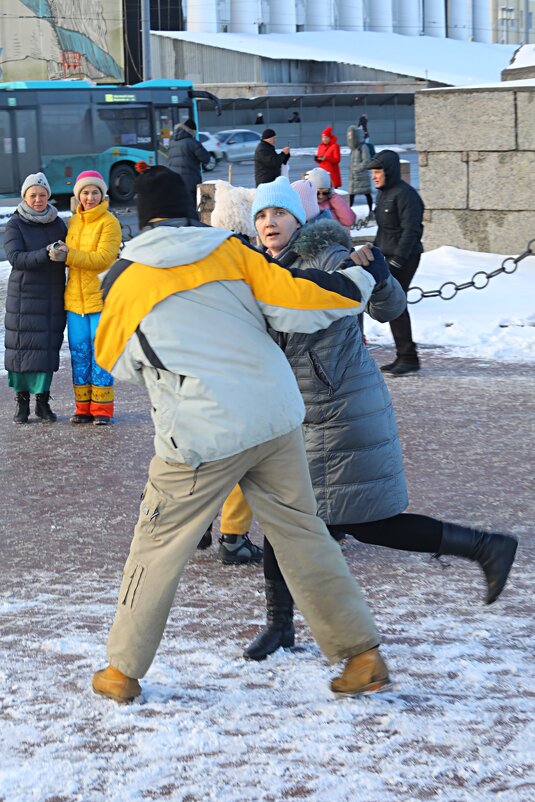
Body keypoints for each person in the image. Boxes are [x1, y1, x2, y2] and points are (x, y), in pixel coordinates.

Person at [91, 166, 394, 703]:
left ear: (139, 215)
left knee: (157, 546)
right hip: (274, 414)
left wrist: (167, 366)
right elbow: (304, 300)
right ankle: (360, 654)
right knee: (303, 533)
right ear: (193, 208)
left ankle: (121, 670)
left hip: (199, 432)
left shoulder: (124, 276)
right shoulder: (232, 251)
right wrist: (364, 277)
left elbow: (112, 360)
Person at [216, 177, 518, 662]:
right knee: (285, 518)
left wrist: (378, 274)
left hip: (339, 408)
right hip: (297, 412)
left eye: (279, 214)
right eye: (261, 217)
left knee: (370, 523)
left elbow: (389, 309)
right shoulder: (261, 269)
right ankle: (279, 626)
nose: (269, 223)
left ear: (299, 219)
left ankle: (485, 546)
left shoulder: (330, 259)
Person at [49, 170, 122, 424]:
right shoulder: (74, 222)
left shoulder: (109, 222)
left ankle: (102, 410)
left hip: (100, 299)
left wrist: (68, 255)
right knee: (79, 355)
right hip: (75, 301)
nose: (89, 197)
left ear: (102, 194)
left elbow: (103, 259)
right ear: (77, 195)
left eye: (94, 192)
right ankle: (82, 408)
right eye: (85, 192)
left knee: (100, 354)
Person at [4, 172, 67, 424]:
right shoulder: (15, 224)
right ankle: (22, 404)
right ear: (25, 196)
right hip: (24, 298)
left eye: (42, 195)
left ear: (48, 196)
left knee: (46, 351)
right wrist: (46, 253)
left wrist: (66, 255)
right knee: (21, 351)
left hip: (52, 295)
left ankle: (42, 403)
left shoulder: (58, 223)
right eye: (33, 195)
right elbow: (16, 258)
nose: (38, 200)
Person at [369, 149, 424, 375]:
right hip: (387, 256)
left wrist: (399, 260)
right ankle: (404, 356)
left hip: (405, 257)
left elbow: (412, 230)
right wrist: (372, 254)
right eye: (372, 172)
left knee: (397, 305)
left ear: (389, 171)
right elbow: (384, 230)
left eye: (378, 171)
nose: (374, 176)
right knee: (393, 306)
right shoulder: (384, 194)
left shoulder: (406, 195)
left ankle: (408, 358)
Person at [168, 118, 210, 213]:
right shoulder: (192, 143)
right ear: (192, 131)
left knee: (180, 210)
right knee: (191, 211)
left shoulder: (172, 142)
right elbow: (206, 158)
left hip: (175, 183)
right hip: (190, 183)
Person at [347, 125, 374, 216]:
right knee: (352, 195)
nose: (350, 138)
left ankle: (370, 211)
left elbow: (367, 161)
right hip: (354, 178)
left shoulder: (363, 147)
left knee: (367, 193)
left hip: (362, 176)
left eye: (351, 136)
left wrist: (357, 169)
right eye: (349, 136)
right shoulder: (353, 149)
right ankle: (348, 213)